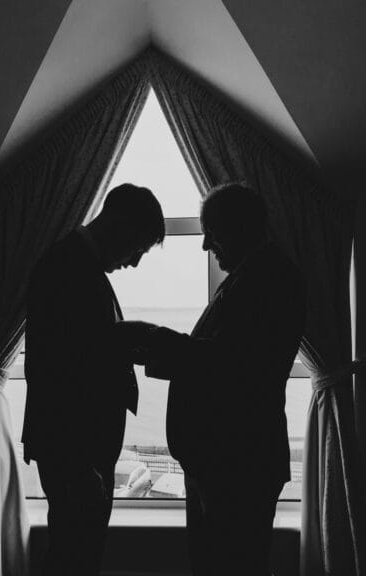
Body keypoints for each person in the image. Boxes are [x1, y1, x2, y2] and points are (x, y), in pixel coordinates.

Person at [114, 182, 306, 576]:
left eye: (212, 233)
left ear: (240, 227)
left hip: (237, 465)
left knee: (232, 565)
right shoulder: (254, 276)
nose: (205, 246)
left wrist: (151, 338)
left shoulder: (271, 279)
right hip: (224, 462)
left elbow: (228, 365)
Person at [21, 183, 165, 576]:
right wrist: (79, 464)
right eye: (138, 249)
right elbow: (53, 373)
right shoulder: (67, 267)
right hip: (75, 452)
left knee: (76, 554)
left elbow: (82, 352)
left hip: (79, 450)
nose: (134, 263)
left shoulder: (74, 263)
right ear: (120, 225)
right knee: (74, 558)